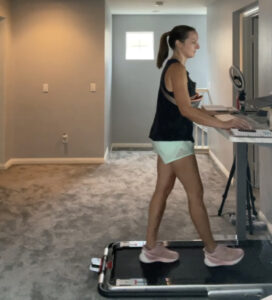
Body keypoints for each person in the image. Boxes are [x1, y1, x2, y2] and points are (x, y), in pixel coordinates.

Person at [139, 25, 251, 267]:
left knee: (162, 190)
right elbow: (185, 110)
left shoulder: (177, 69)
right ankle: (212, 252)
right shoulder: (176, 68)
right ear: (179, 43)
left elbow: (190, 104)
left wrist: (220, 121)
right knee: (196, 194)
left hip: (165, 137)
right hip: (175, 139)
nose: (197, 46)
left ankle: (150, 248)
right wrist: (224, 123)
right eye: (193, 41)